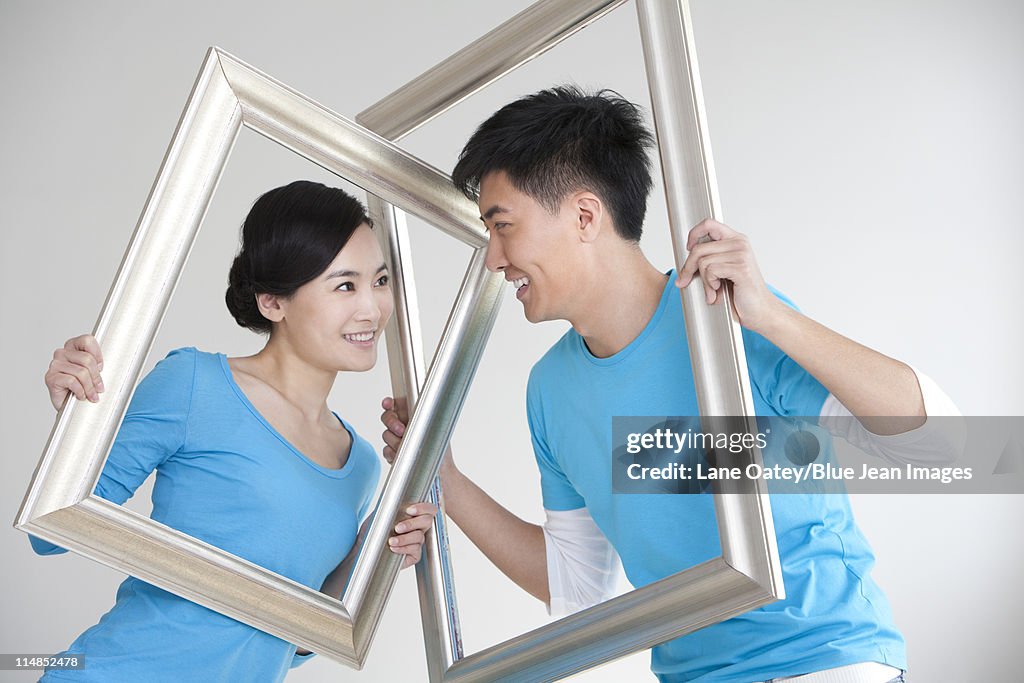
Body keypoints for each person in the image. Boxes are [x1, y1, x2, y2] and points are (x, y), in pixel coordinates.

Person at [380, 87, 963, 682]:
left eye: (503, 227)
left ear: (585, 216)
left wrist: (772, 319)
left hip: (823, 662)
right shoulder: (549, 390)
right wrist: (447, 481)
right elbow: (579, 585)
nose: (493, 259)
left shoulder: (722, 320)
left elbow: (940, 445)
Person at [36, 180, 436, 683]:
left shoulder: (359, 464)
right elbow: (53, 533)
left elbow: (291, 639)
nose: (372, 308)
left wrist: (376, 556)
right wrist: (75, 418)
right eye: (344, 285)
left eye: (379, 281)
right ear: (273, 303)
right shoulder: (193, 385)